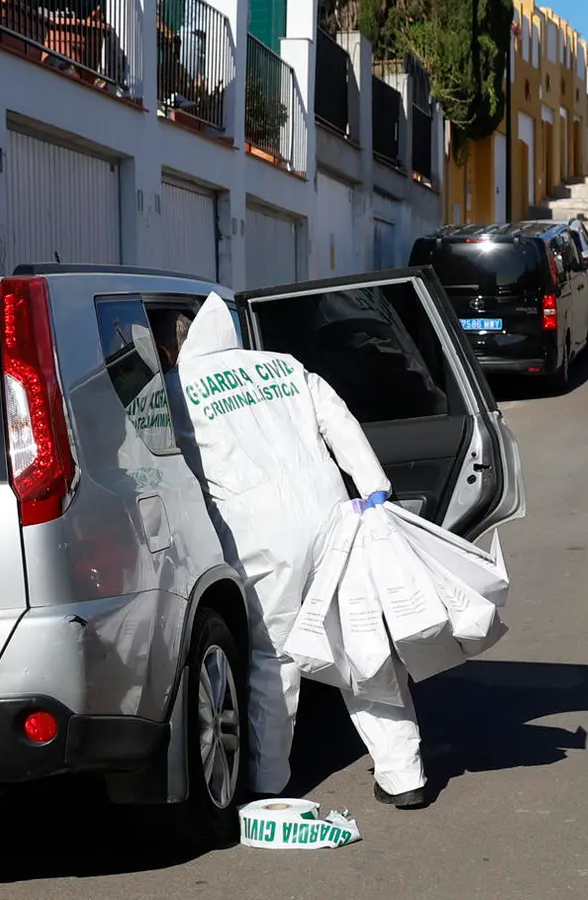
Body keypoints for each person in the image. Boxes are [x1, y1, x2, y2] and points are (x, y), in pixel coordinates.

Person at [168, 292, 431, 809]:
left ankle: (268, 782)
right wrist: (374, 488)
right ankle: (406, 777)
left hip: (259, 536)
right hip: (331, 514)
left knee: (275, 657)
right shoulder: (283, 367)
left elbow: (173, 465)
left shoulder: (179, 390)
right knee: (363, 642)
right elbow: (339, 420)